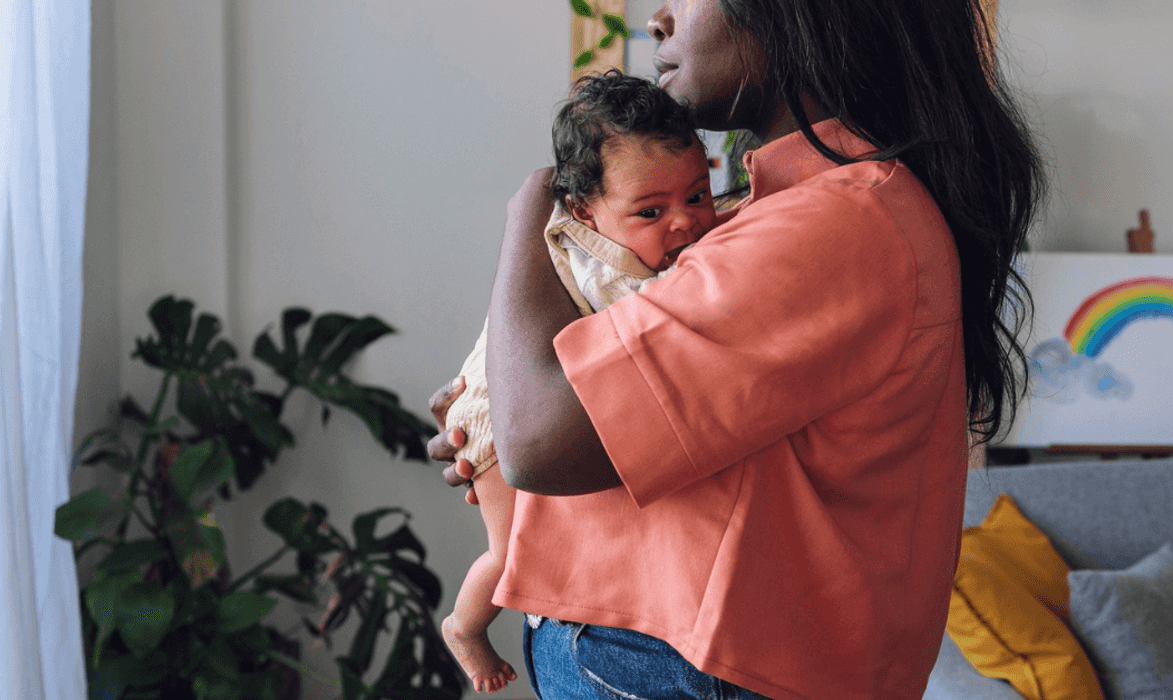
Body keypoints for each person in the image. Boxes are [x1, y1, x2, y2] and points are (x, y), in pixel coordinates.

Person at [429, 0, 1043, 698]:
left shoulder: (832, 221)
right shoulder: (762, 212)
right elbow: (582, 420)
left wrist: (534, 201)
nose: (659, 17)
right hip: (657, 652)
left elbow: (542, 446)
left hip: (683, 665)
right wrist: (496, 401)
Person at [439, 70, 718, 693]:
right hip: (495, 412)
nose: (684, 223)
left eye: (697, 196)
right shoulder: (603, 265)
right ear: (583, 211)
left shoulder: (630, 238)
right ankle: (464, 626)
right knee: (511, 551)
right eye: (651, 211)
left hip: (510, 392)